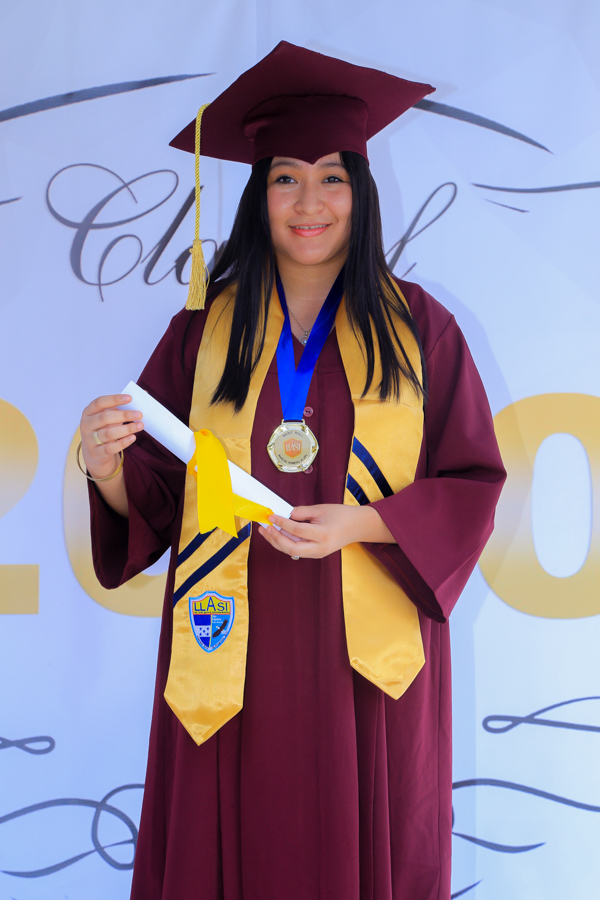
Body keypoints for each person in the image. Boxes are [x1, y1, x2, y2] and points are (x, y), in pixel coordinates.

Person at [79, 42, 505, 900]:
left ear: (362, 191)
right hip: (233, 644)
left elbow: (472, 483)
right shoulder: (204, 330)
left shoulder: (419, 329)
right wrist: (107, 468)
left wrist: (364, 523)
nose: (309, 202)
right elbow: (158, 493)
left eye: (332, 178)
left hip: (368, 662)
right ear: (257, 195)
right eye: (285, 179)